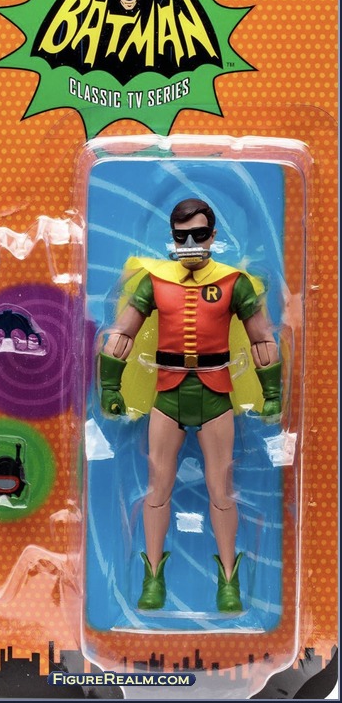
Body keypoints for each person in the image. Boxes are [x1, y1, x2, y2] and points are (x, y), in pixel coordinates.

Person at [99, 198, 281, 612]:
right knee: (157, 488)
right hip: (168, 393)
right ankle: (152, 578)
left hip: (216, 394)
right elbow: (122, 334)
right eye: (182, 236)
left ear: (213, 236)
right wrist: (111, 385)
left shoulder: (234, 282)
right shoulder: (155, 281)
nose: (191, 243)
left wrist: (271, 392)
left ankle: (229, 581)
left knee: (221, 490)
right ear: (172, 237)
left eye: (199, 234)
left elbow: (262, 339)